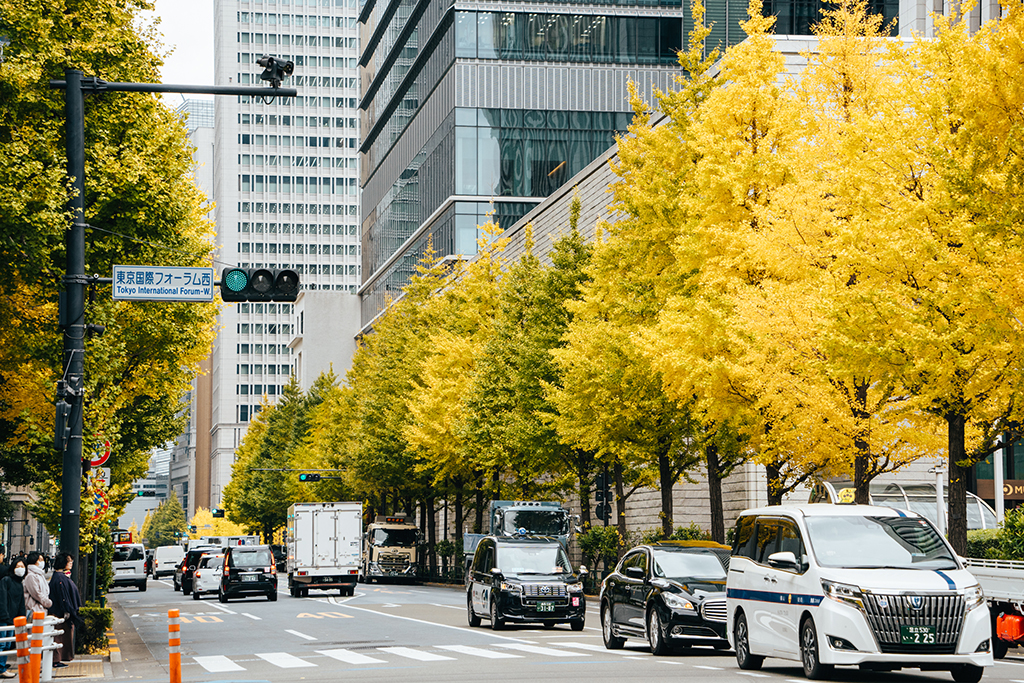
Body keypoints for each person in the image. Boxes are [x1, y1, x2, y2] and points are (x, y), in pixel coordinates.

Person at [48, 553, 82, 668]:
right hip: (60, 612)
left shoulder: (60, 576)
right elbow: (63, 596)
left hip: (60, 611)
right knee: (59, 635)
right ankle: (57, 659)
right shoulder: (60, 578)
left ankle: (60, 658)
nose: (71, 563)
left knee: (61, 635)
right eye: (69, 561)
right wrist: (67, 610)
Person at [22, 552, 51, 616]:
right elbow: (36, 593)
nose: (42, 562)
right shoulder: (30, 576)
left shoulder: (40, 574)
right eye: (40, 560)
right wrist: (47, 602)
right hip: (33, 609)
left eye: (43, 560)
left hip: (40, 609)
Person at [0, 546, 14, 679]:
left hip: (5, 612)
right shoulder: (5, 572)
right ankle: (1, 667)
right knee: (4, 642)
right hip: (4, 613)